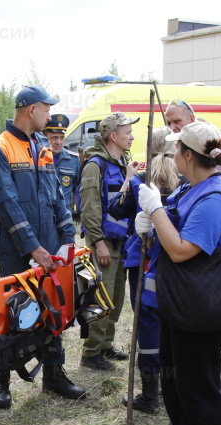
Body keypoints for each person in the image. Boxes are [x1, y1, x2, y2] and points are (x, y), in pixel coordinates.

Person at [137, 121, 221, 425]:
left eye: (176, 150)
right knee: (174, 377)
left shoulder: (214, 198)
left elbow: (182, 250)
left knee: (200, 384)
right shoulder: (192, 189)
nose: (172, 155)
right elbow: (170, 234)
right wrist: (151, 221)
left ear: (188, 156)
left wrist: (156, 210)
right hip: (179, 304)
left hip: (202, 308)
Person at [0, 85, 86, 408]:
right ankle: (1, 381)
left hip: (51, 246)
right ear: (30, 110)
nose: (50, 115)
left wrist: (68, 237)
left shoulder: (42, 145)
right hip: (16, 250)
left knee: (55, 309)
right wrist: (32, 248)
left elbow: (57, 196)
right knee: (11, 313)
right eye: (46, 108)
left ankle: (54, 374)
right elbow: (7, 205)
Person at [108, 126, 181, 411]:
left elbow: (115, 208)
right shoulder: (187, 180)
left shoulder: (140, 180)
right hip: (177, 260)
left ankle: (150, 395)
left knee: (148, 325)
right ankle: (170, 386)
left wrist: (127, 180)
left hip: (145, 262)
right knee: (173, 324)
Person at [79, 112, 137, 371]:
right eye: (127, 132)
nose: (132, 137)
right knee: (99, 298)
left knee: (115, 298)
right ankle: (91, 352)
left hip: (122, 243)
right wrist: (98, 242)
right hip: (104, 245)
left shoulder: (122, 163)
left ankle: (105, 345)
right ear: (113, 135)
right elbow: (89, 209)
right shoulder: (95, 165)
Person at [44, 114, 80, 214]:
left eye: (62, 138)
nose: (58, 142)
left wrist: (68, 205)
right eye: (54, 138)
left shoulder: (73, 160)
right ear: (45, 137)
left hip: (64, 217)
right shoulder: (37, 158)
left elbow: (78, 189)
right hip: (43, 215)